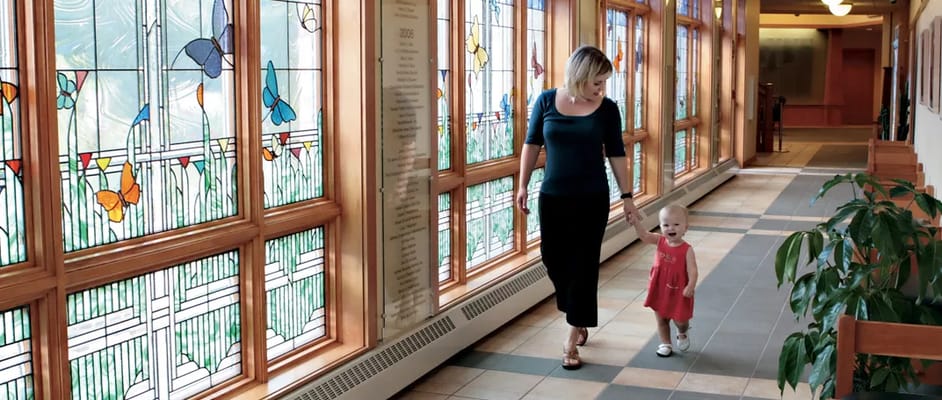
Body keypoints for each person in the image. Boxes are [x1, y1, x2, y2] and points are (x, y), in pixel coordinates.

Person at [515, 45, 639, 370]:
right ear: (579, 76)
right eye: (596, 82)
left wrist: (627, 196)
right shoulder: (545, 101)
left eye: (603, 83)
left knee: (584, 266)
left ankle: (571, 339)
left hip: (591, 198)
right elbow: (531, 144)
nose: (601, 89)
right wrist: (522, 184)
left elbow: (616, 154)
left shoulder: (608, 109)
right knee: (553, 259)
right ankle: (577, 314)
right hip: (553, 196)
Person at [630, 204, 699, 357]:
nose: (670, 228)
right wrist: (636, 222)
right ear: (660, 226)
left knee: (680, 319)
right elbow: (644, 236)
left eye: (676, 224)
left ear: (685, 227)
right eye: (665, 225)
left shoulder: (686, 249)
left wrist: (690, 285)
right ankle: (665, 343)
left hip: (679, 290)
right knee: (661, 317)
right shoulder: (660, 241)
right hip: (660, 287)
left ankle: (682, 331)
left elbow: (693, 270)